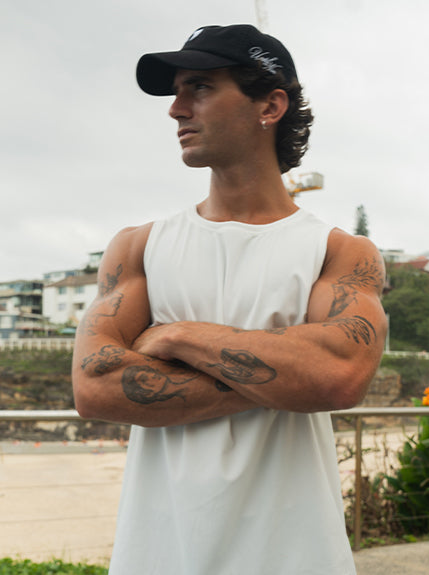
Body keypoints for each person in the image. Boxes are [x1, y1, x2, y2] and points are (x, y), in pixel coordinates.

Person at [69, 24, 388, 575]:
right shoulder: (139, 247)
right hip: (160, 554)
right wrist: (285, 378)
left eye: (200, 87)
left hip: (295, 555)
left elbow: (338, 376)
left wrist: (178, 336)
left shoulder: (340, 252)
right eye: (177, 92)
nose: (176, 109)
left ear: (270, 105)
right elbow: (94, 387)